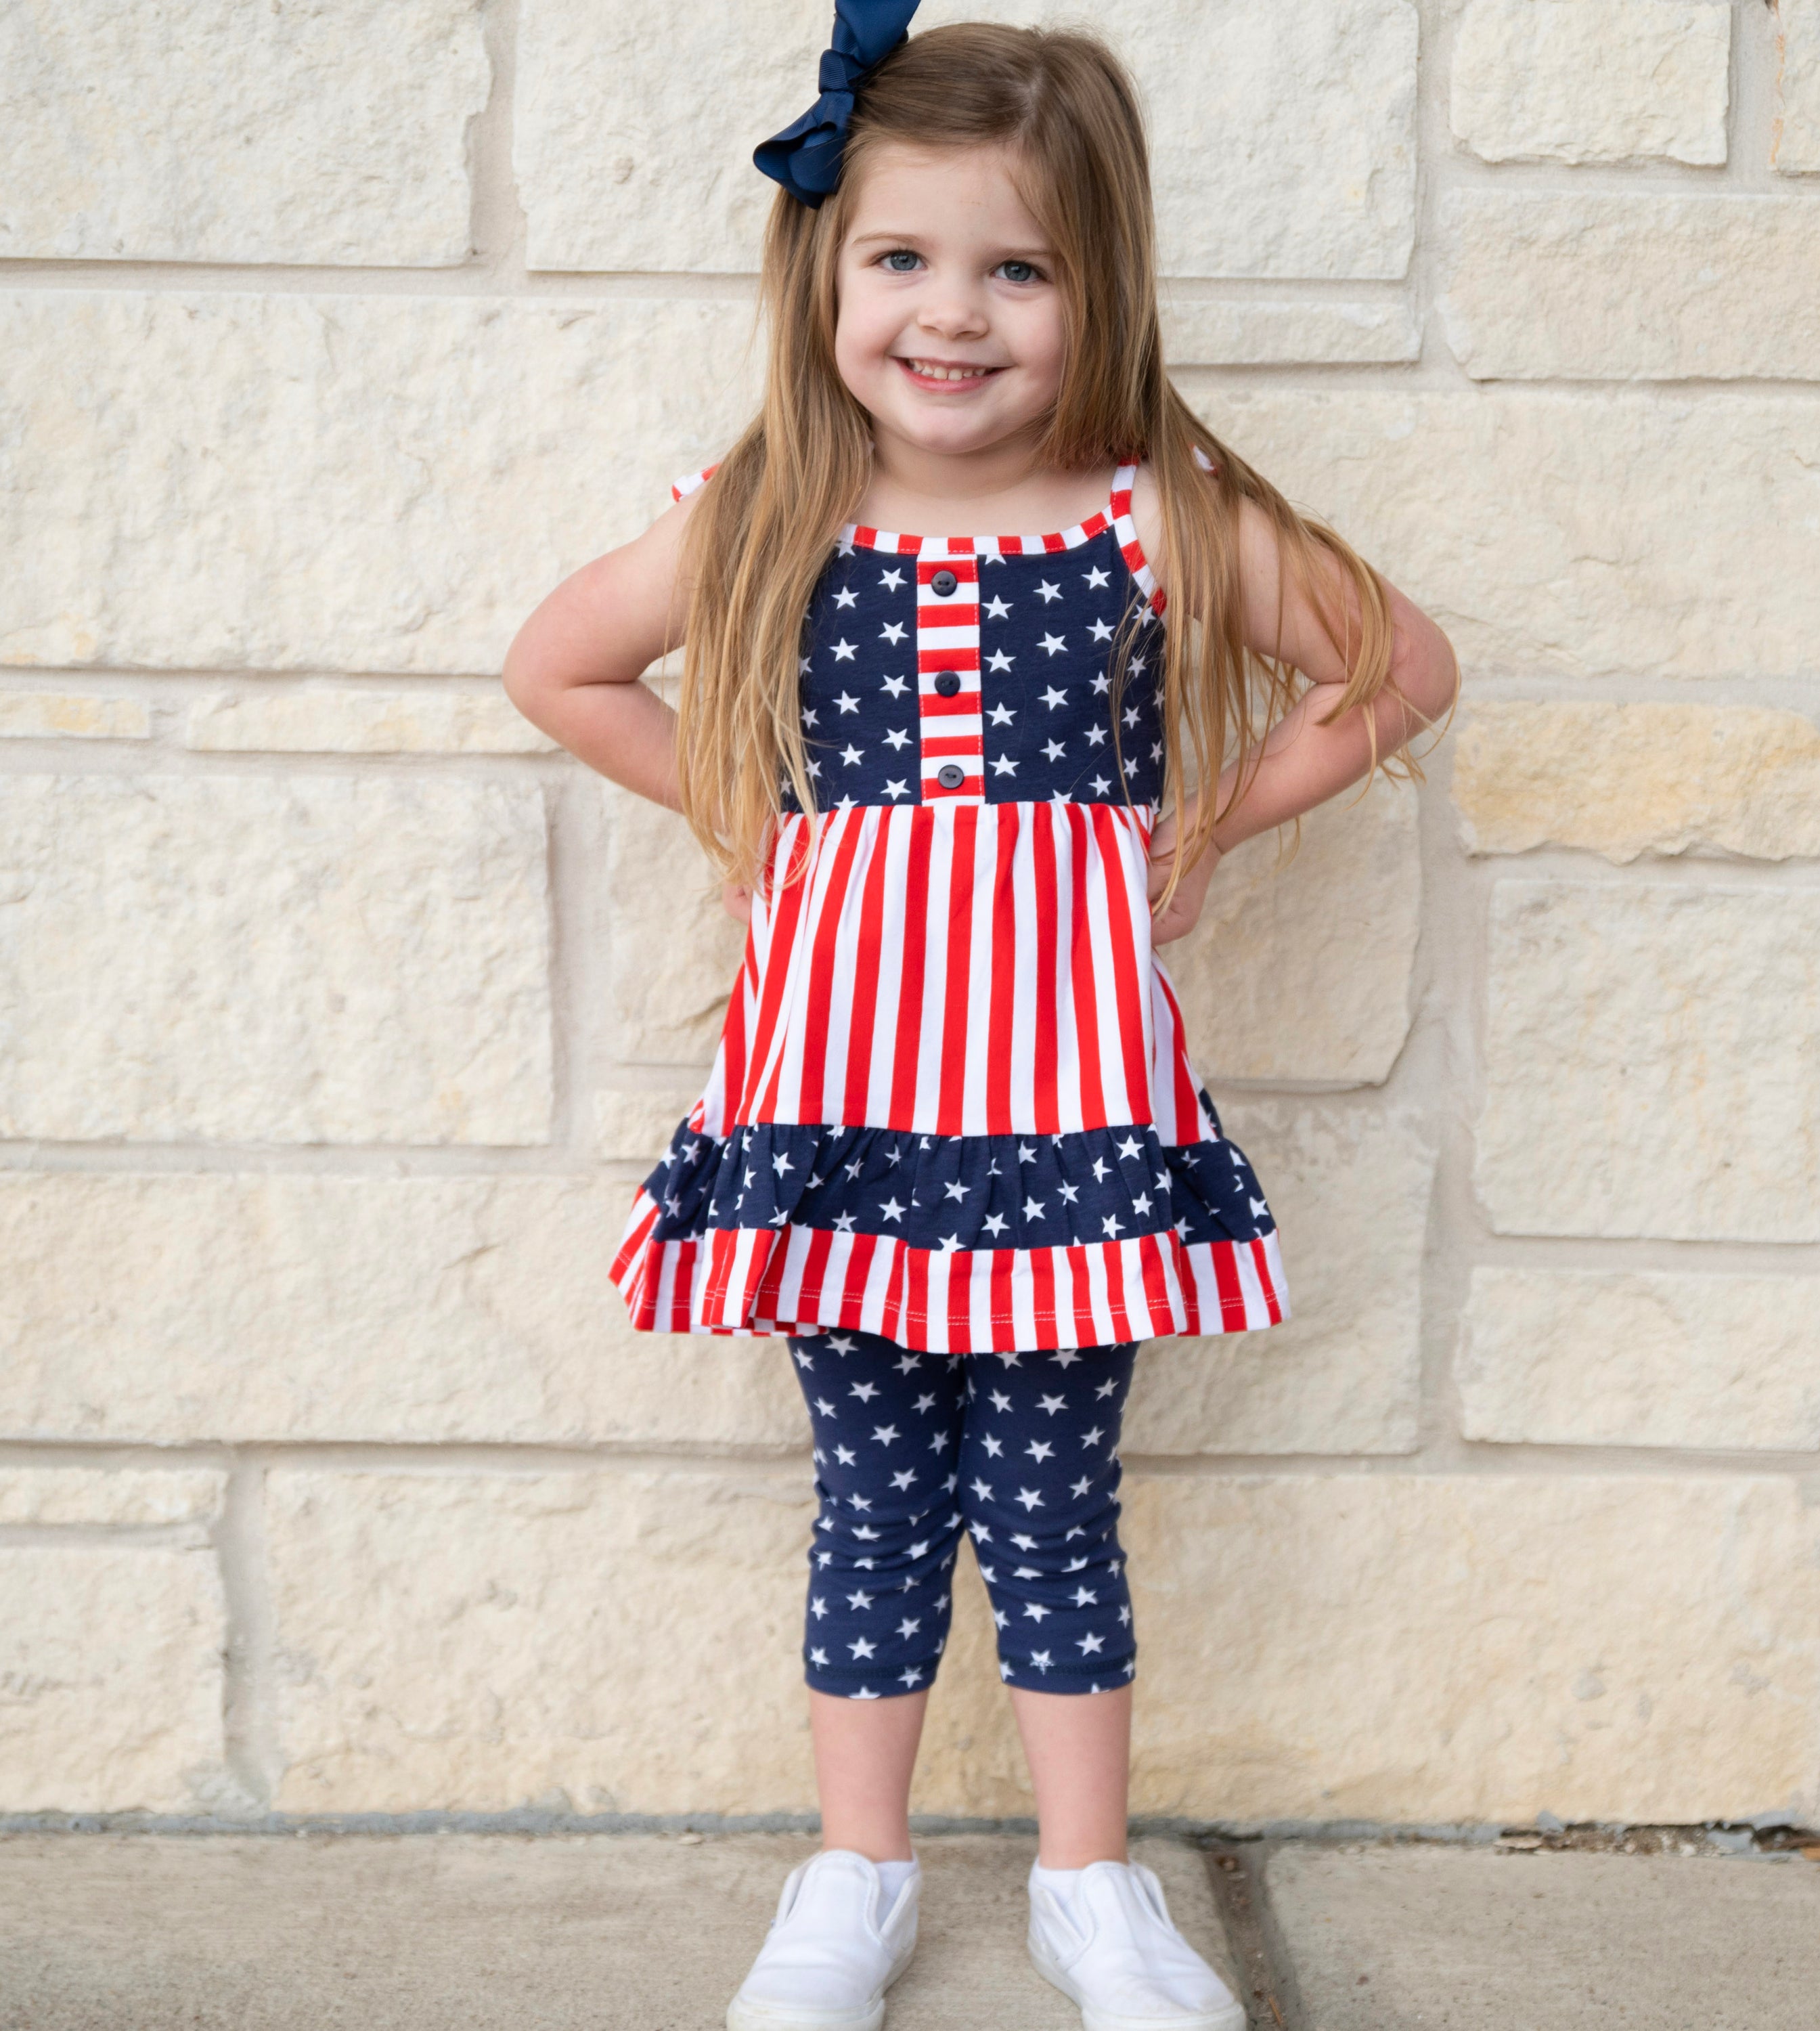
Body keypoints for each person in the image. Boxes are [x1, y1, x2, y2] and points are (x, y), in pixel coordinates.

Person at [504, 7, 1457, 2026]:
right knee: (873, 1500)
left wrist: (1208, 816)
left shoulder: (1150, 512)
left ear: (1102, 288)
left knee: (1049, 1505)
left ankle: (1089, 1887)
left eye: (1019, 267)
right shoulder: (774, 509)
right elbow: (559, 666)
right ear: (825, 271)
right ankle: (853, 1875)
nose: (954, 314)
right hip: (842, 1103)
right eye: (904, 258)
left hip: (1071, 1110)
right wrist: (750, 814)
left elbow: (1397, 665)